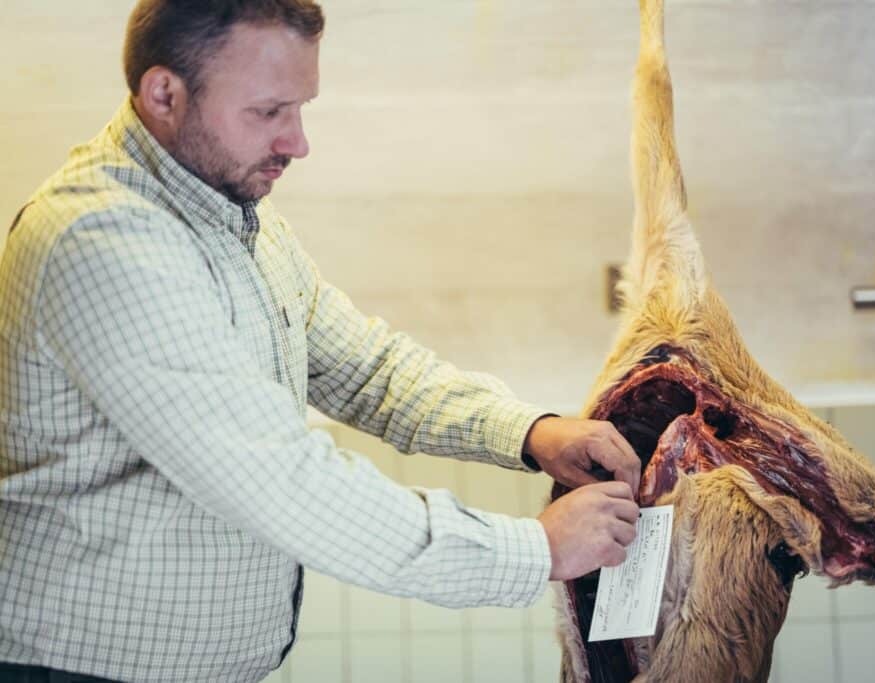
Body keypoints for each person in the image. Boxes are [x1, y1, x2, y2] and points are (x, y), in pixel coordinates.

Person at [0, 1, 642, 682]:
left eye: (301, 108)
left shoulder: (233, 213)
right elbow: (280, 479)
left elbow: (369, 369)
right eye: (268, 111)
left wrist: (530, 433)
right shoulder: (103, 242)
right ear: (164, 94)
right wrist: (533, 549)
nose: (297, 142)